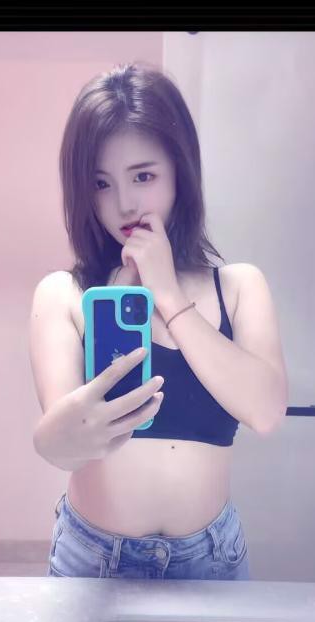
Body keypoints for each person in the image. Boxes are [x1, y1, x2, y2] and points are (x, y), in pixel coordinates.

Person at [29, 62, 289, 581]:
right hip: (93, 559)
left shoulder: (239, 286)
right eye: (101, 183)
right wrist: (61, 430)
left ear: (179, 174)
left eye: (143, 176)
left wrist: (168, 295)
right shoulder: (66, 295)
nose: (124, 204)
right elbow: (62, 450)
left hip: (211, 558)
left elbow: (265, 413)